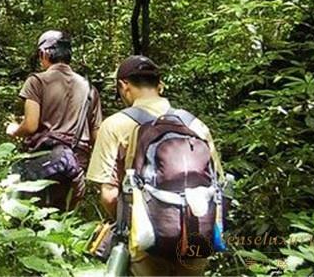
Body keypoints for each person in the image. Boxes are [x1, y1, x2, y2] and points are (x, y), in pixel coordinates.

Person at [86, 55, 225, 276]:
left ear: (124, 86)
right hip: (197, 237)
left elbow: (109, 194)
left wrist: (126, 224)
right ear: (159, 84)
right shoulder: (196, 125)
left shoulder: (115, 125)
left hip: (146, 241)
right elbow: (219, 187)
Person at [5, 30, 102, 211]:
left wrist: (14, 129)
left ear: (43, 54)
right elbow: (97, 136)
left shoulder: (36, 81)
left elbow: (31, 125)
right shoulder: (90, 89)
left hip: (43, 163)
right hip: (75, 164)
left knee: (35, 218)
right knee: (66, 224)